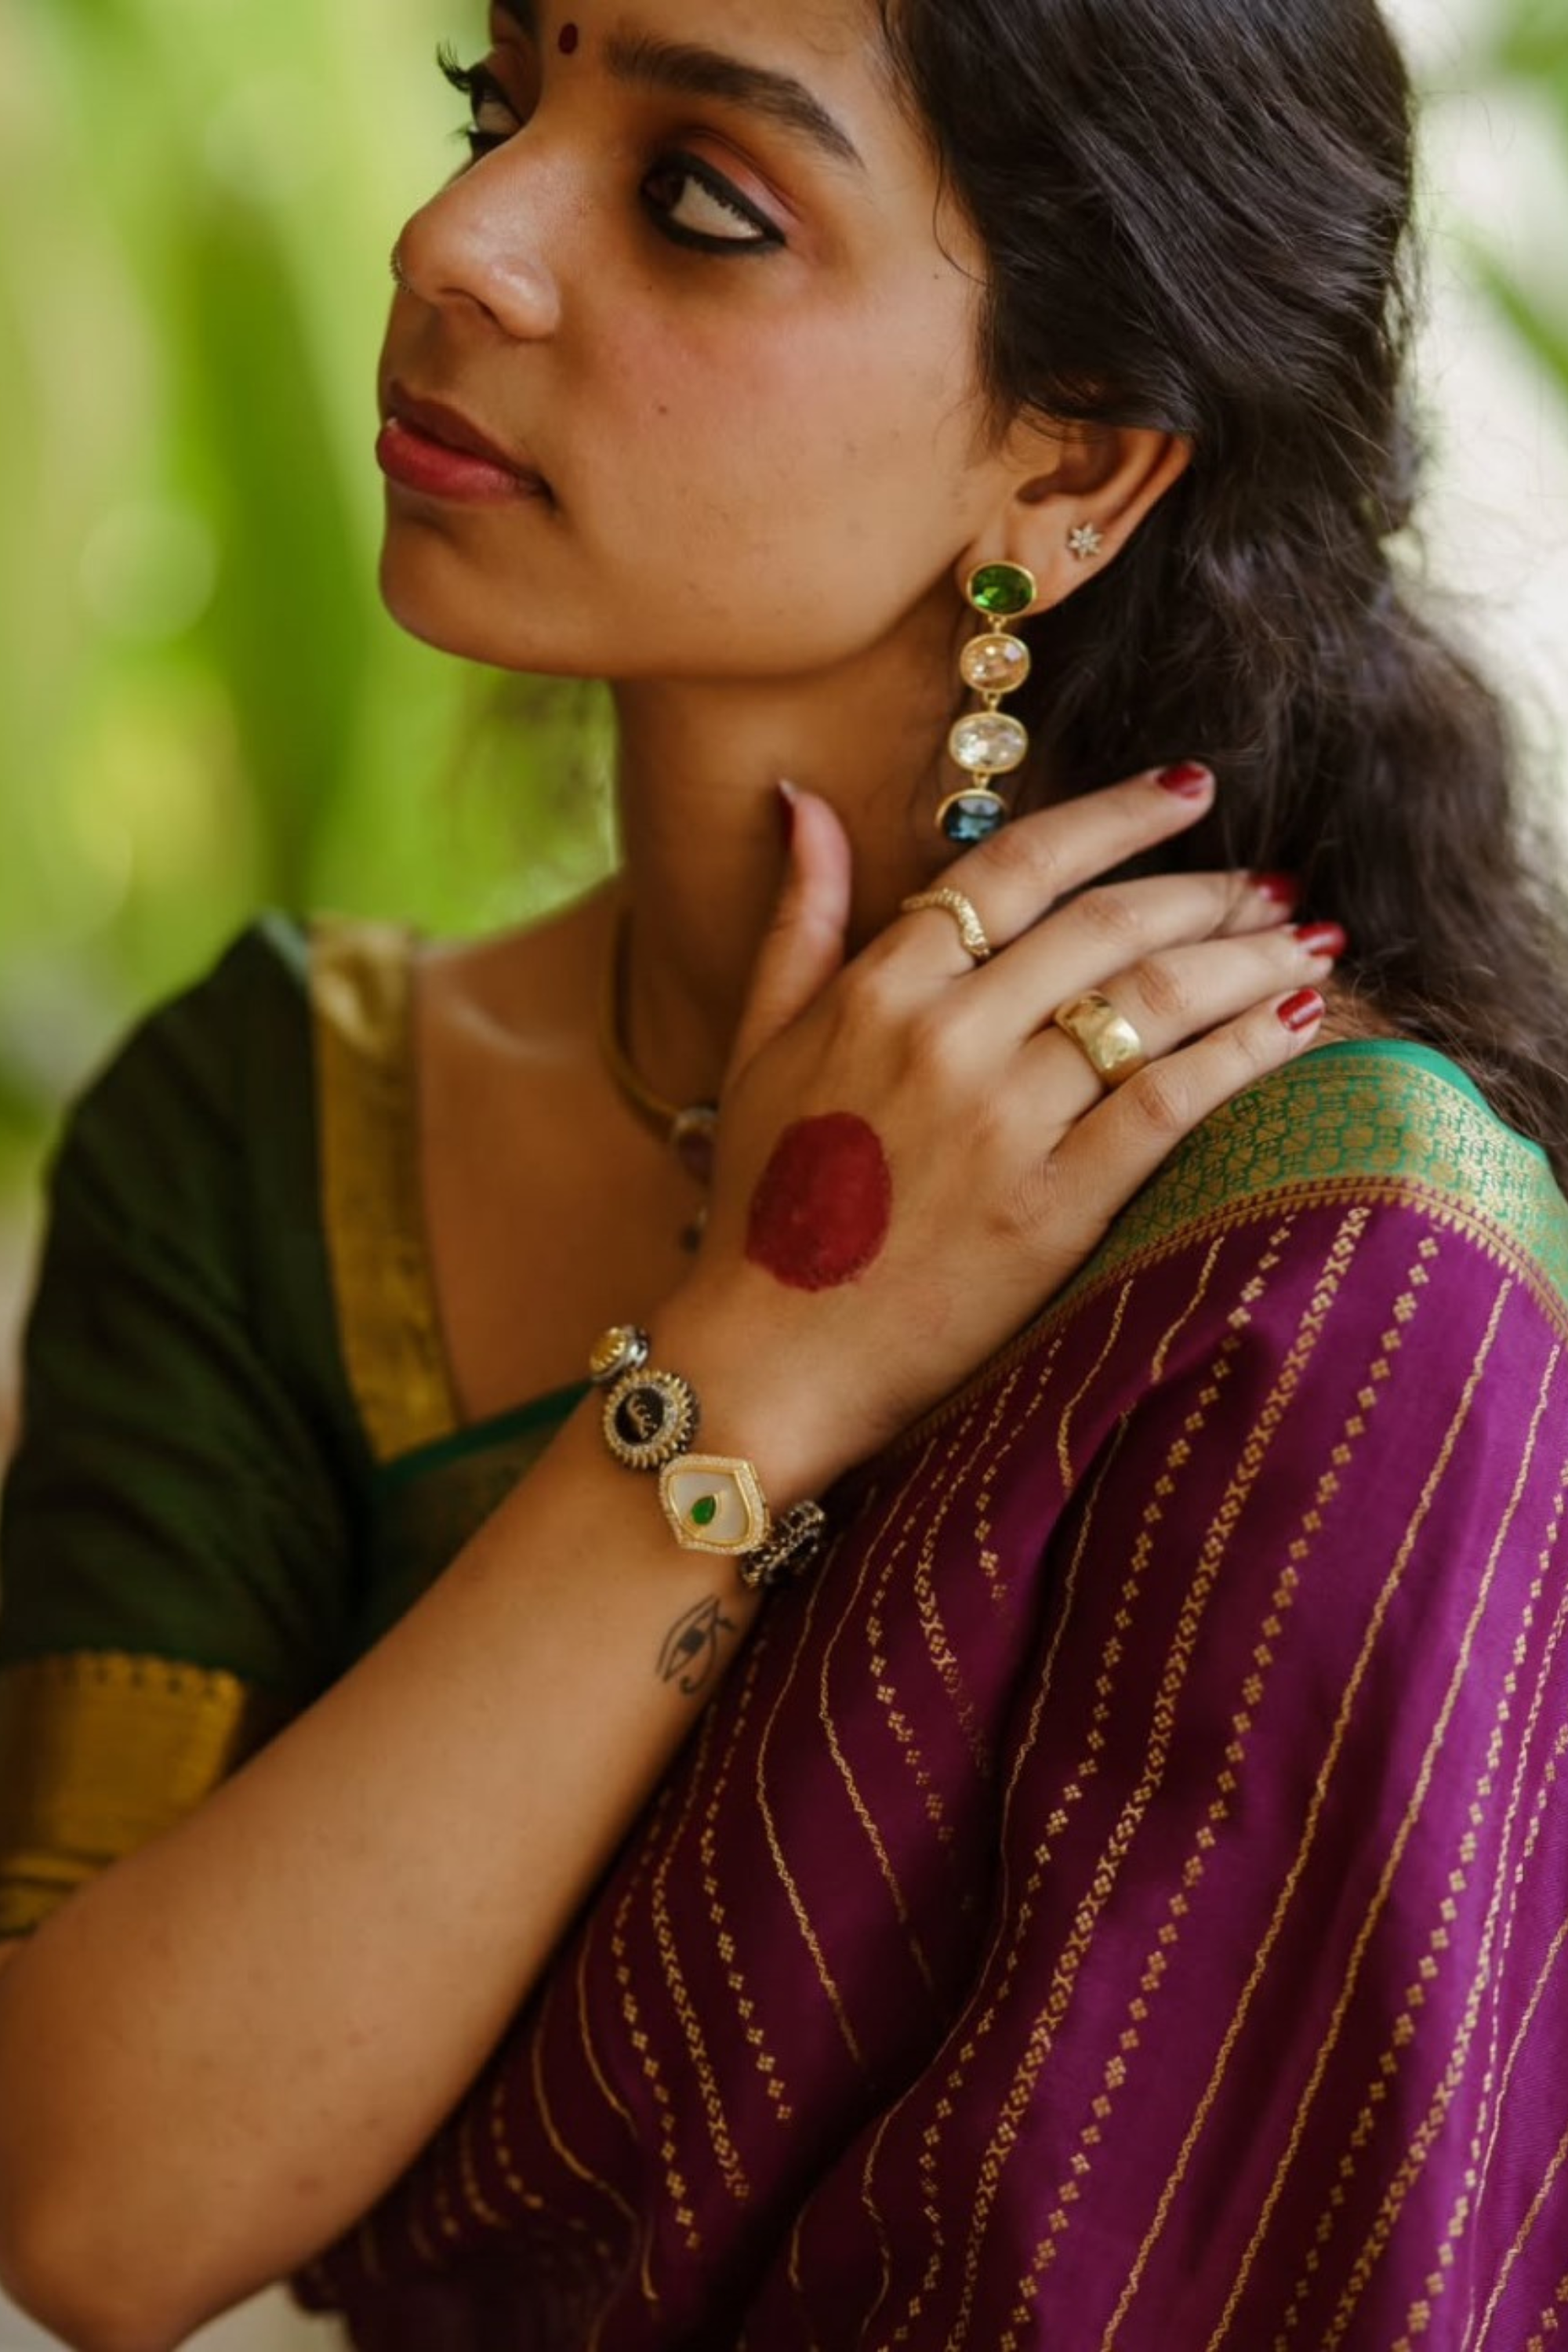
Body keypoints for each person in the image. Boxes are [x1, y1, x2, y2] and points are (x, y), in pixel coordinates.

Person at [2, 0, 1566, 2345]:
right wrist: (757, 1362)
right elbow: (91, 2205)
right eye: (498, 102)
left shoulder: (1340, 1283)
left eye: (703, 201)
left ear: (1074, 468)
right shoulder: (276, 1116)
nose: (458, 238)